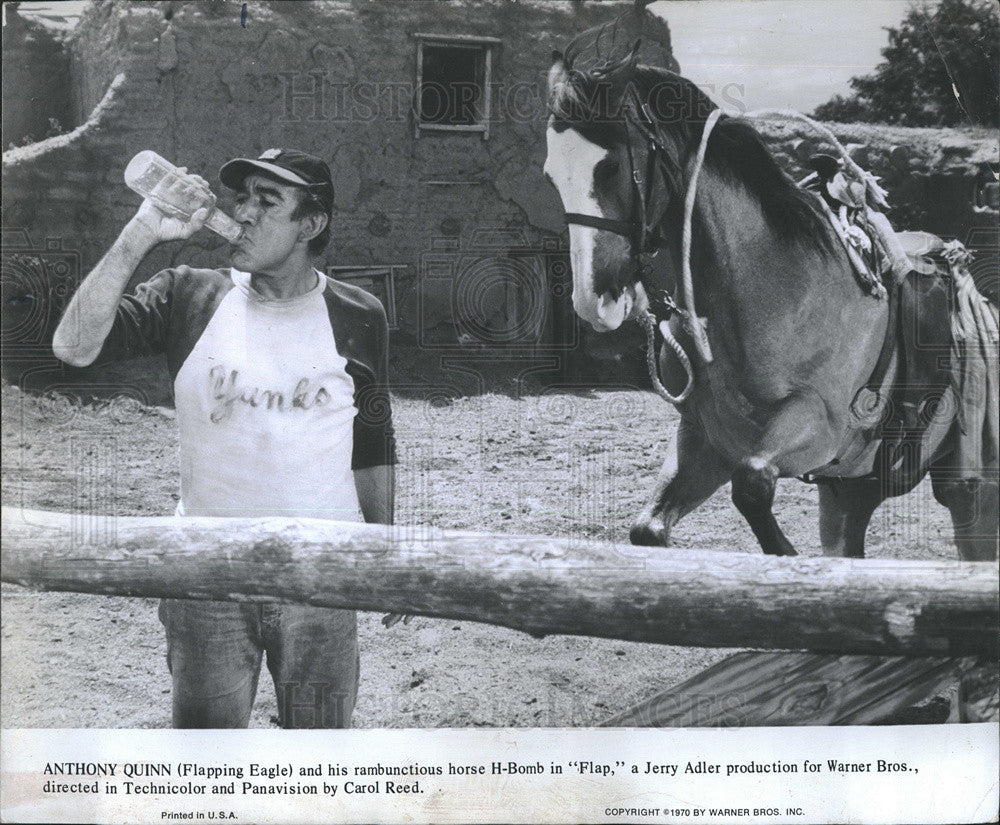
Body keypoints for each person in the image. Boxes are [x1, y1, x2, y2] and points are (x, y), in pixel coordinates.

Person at [52, 148, 396, 729]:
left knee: (323, 758)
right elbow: (73, 347)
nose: (243, 213)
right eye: (242, 197)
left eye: (268, 202)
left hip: (321, 575)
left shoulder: (359, 313)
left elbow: (372, 442)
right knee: (206, 758)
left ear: (310, 226)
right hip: (205, 575)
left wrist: (385, 553)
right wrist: (144, 230)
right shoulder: (190, 293)